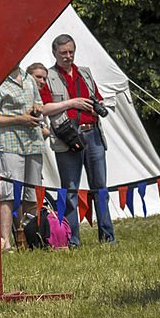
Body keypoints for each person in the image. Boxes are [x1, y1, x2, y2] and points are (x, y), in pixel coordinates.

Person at [39, 34, 115, 247]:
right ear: (55, 53)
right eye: (63, 52)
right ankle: (72, 240)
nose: (68, 56)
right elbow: (44, 108)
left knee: (100, 188)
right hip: (68, 137)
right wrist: (73, 103)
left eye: (71, 52)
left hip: (93, 134)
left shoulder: (85, 73)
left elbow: (97, 98)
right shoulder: (49, 76)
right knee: (70, 189)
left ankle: (107, 237)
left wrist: (96, 105)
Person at [0, 65, 47, 250]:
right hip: (10, 143)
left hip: (33, 142)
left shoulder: (29, 79)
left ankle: (32, 239)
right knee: (8, 195)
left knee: (33, 195)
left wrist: (37, 109)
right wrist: (19, 119)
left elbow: (39, 103)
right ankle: (5, 243)